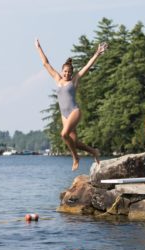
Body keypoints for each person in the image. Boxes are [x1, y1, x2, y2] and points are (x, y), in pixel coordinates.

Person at [35, 39, 107, 171]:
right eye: (65, 71)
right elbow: (46, 63)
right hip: (64, 115)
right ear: (62, 71)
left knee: (63, 134)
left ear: (72, 72)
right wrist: (38, 47)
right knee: (74, 142)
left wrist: (97, 53)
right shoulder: (57, 79)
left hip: (74, 111)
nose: (67, 73)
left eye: (69, 72)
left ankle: (75, 158)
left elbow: (87, 66)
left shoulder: (74, 80)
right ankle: (94, 152)